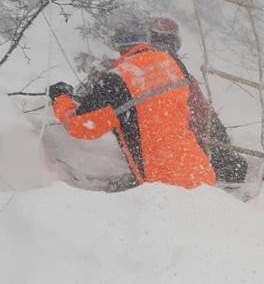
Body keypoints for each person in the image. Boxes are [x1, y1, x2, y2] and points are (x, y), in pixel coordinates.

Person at [49, 18, 216, 190]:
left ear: (119, 46)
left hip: (164, 185)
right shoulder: (171, 64)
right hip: (200, 174)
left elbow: (81, 126)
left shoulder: (117, 79)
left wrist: (60, 99)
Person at [147, 17, 248, 185]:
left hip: (151, 143)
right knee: (236, 166)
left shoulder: (138, 67)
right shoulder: (178, 73)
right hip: (179, 144)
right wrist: (220, 141)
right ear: (175, 41)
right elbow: (200, 111)